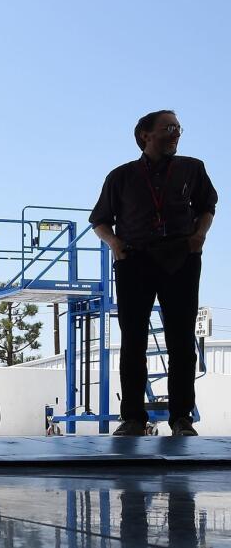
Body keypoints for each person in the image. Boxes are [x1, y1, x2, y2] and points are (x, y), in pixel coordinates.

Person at [91, 110, 217, 436]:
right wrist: (115, 244)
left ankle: (181, 418)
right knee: (133, 340)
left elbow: (207, 206)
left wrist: (198, 237)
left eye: (178, 128)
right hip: (134, 260)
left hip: (181, 258)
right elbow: (100, 220)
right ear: (145, 135)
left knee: (181, 342)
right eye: (168, 128)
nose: (176, 133)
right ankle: (133, 418)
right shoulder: (120, 176)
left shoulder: (193, 168)